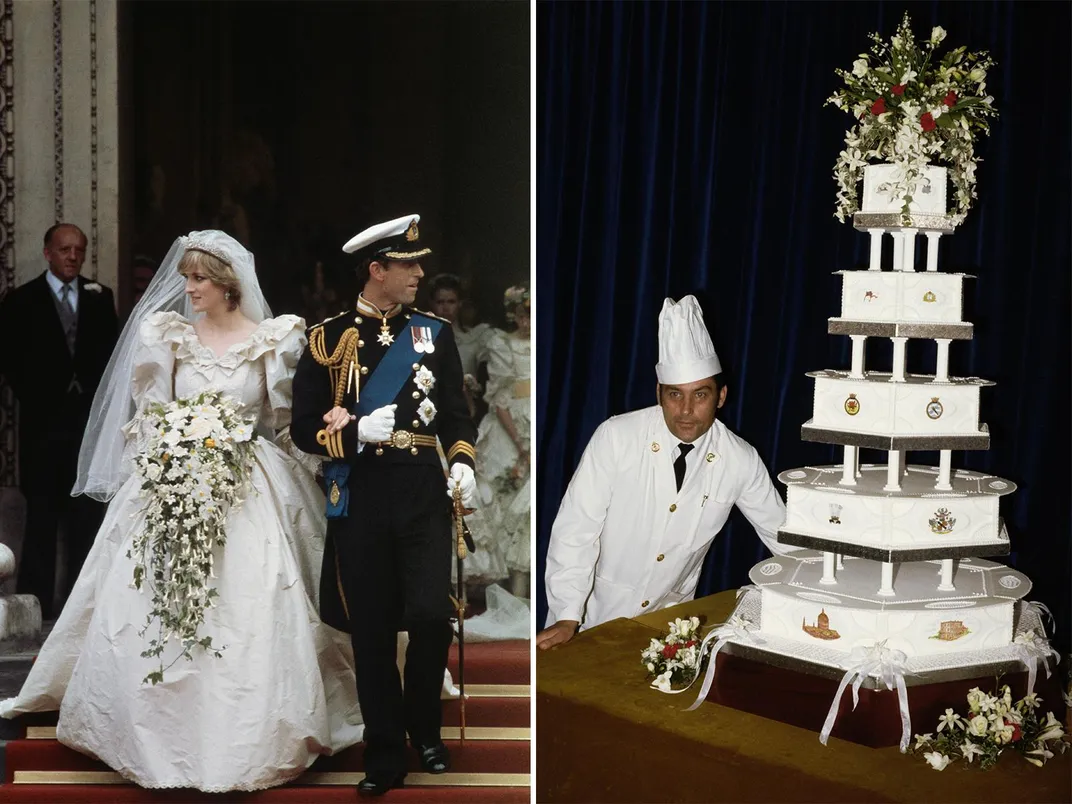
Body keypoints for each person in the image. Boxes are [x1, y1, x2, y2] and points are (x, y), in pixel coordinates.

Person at [0, 230, 363, 791]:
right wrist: (170, 465)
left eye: (198, 279)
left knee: (257, 599)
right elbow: (149, 416)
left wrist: (322, 467)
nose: (186, 288)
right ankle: (156, 731)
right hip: (173, 478)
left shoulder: (272, 339)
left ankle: (247, 731)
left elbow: (285, 424)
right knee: (154, 599)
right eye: (187, 277)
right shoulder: (165, 336)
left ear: (227, 285)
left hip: (250, 483)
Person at [290, 214, 478, 797]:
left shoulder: (434, 334)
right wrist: (351, 438)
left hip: (422, 492)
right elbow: (300, 427)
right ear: (377, 271)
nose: (419, 273)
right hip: (363, 497)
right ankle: (385, 751)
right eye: (407, 265)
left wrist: (464, 461)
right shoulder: (327, 339)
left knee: (428, 616)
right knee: (371, 631)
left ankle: (426, 727)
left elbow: (454, 413)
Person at [537, 295, 795, 650]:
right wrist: (568, 613)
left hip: (669, 629)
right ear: (659, 393)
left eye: (700, 395)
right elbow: (576, 530)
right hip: (590, 618)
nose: (686, 410)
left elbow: (784, 535)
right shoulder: (616, 436)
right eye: (675, 394)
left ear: (721, 396)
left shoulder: (740, 459)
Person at [0, 223, 118, 618]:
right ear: (48, 252)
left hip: (86, 429)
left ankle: (81, 611)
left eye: (78, 250)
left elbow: (112, 360)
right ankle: (36, 610)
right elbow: (10, 361)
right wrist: (42, 396)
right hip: (42, 428)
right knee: (42, 521)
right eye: (64, 249)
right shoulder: (21, 301)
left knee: (86, 519)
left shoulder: (101, 298)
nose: (72, 256)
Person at [465, 284, 531, 599]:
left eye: (532, 315)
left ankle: (526, 585)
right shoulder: (501, 343)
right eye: (523, 315)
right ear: (514, 316)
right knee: (503, 501)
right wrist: (522, 445)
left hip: (536, 418)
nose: (528, 322)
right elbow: (500, 400)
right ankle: (498, 587)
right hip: (511, 427)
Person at [428, 273, 492, 421]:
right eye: (440, 302)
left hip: (466, 413)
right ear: (432, 303)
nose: (445, 308)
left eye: (451, 301)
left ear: (460, 303)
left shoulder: (476, 339)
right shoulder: (422, 340)